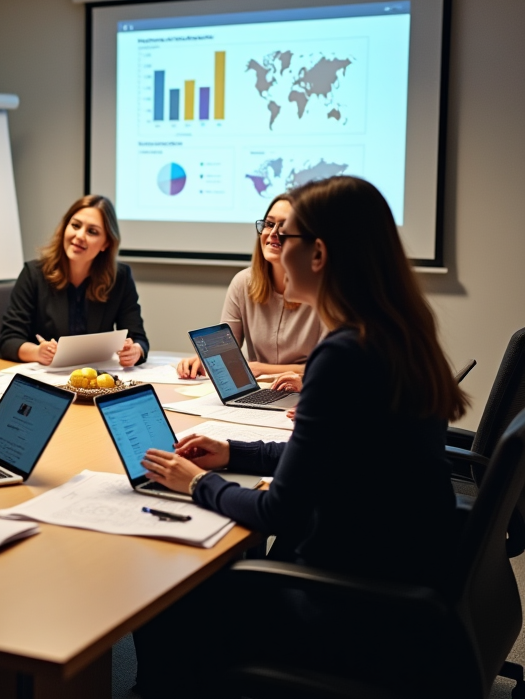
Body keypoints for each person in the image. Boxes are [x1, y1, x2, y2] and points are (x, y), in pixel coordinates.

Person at [133, 176, 465, 697]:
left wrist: (196, 482)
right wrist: (232, 451)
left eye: (284, 237)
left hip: (347, 605)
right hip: (401, 575)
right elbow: (336, 453)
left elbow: (277, 514)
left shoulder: (343, 356)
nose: (275, 249)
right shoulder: (394, 333)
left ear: (318, 254)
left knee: (165, 586)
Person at [177, 194, 328, 379]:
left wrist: (262, 368)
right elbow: (225, 351)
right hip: (259, 392)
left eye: (285, 227)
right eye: (269, 224)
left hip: (306, 391)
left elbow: (331, 367)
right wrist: (205, 359)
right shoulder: (243, 282)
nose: (273, 234)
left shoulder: (322, 290)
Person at [0, 195, 149, 367]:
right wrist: (38, 353)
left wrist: (135, 351)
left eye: (92, 231)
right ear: (65, 228)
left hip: (96, 377)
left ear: (105, 243)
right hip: (44, 378)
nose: (79, 236)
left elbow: (138, 339)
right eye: (75, 226)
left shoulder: (120, 277)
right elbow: (9, 340)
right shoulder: (33, 274)